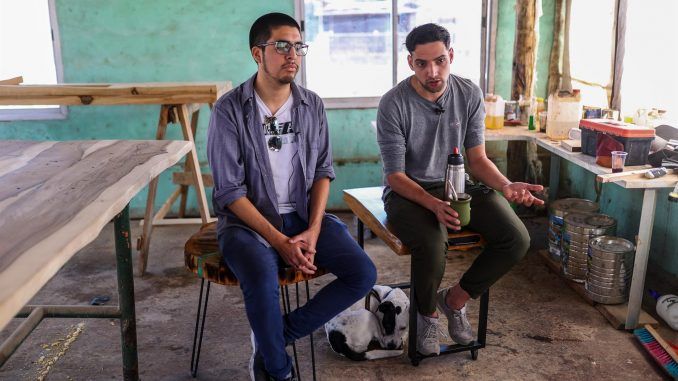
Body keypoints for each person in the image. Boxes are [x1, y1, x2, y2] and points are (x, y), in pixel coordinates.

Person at [207, 13, 377, 381]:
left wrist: (313, 230)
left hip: (302, 215)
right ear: (257, 53)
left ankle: (272, 337)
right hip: (246, 223)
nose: (292, 55)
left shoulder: (310, 104)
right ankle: (279, 369)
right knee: (263, 279)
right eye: (281, 46)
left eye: (298, 46)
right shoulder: (229, 110)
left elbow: (322, 172)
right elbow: (230, 192)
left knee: (362, 273)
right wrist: (280, 241)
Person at [376, 23, 544, 356]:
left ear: (450, 56)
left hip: (457, 185)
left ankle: (455, 300)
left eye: (440, 60)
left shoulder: (468, 94)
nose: (432, 71)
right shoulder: (393, 104)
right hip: (408, 191)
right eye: (422, 63)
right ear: (411, 62)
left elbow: (477, 159)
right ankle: (425, 316)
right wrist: (432, 204)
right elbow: (395, 175)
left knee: (517, 238)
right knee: (432, 241)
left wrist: (506, 185)